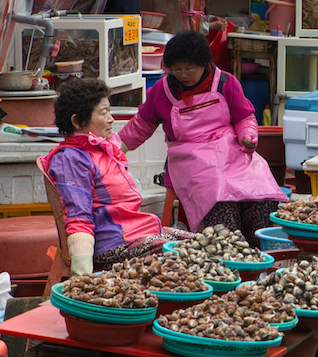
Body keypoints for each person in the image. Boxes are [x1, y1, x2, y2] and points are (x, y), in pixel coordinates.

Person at [118, 31, 288, 245]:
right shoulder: (162, 91)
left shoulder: (226, 82)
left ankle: (259, 249)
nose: (183, 74)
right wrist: (116, 148)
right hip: (190, 157)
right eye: (177, 69)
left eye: (190, 68)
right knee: (220, 196)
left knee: (261, 192)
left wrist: (248, 136)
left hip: (232, 151)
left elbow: (244, 117)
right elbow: (141, 125)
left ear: (204, 63)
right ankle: (227, 251)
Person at [42, 79, 190, 273]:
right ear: (77, 121)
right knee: (188, 254)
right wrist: (83, 277)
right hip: (113, 244)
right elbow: (78, 218)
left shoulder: (101, 149)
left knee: (206, 242)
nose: (111, 119)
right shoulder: (71, 159)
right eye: (104, 113)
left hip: (137, 231)